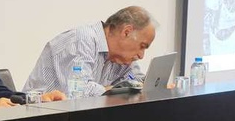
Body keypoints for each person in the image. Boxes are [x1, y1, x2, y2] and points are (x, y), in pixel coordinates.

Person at [24, 6, 156, 97]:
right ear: (126, 32)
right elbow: (80, 92)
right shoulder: (82, 40)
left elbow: (136, 81)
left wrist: (155, 86)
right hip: (40, 118)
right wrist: (119, 89)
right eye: (142, 46)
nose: (141, 55)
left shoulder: (121, 58)